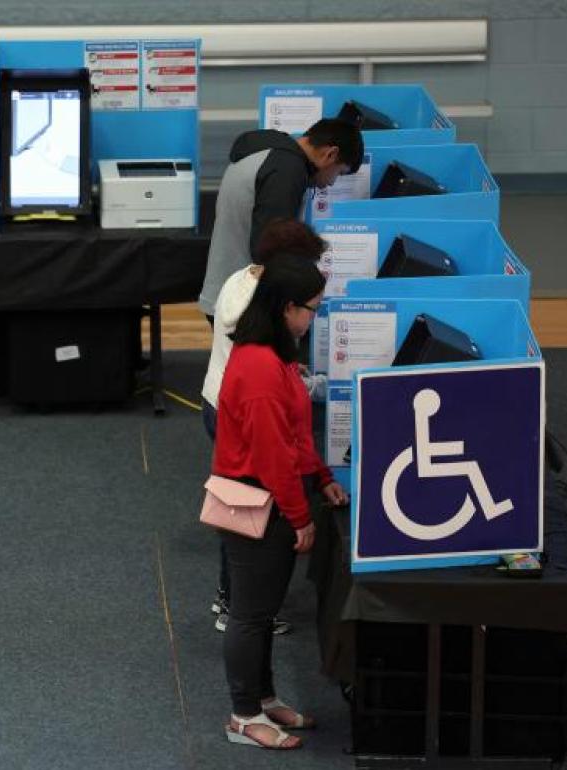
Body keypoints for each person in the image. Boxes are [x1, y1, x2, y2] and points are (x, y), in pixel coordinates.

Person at [212, 255, 348, 750]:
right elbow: (272, 459)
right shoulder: (260, 371)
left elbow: (297, 431)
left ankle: (265, 699)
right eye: (312, 308)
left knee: (265, 610)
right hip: (258, 503)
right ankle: (243, 717)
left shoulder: (277, 355)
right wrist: (300, 519)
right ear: (288, 308)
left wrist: (323, 475)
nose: (315, 316)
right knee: (250, 614)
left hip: (275, 497)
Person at [201, 219, 329, 634]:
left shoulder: (242, 281)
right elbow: (275, 454)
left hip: (221, 399)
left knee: (240, 517)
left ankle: (235, 601)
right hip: (238, 409)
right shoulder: (258, 313)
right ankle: (236, 604)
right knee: (244, 518)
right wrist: (299, 516)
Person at [198, 118, 363, 323]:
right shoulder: (286, 169)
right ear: (331, 154)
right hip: (246, 303)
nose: (331, 183)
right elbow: (271, 247)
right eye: (339, 172)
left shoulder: (267, 152)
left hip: (228, 292)